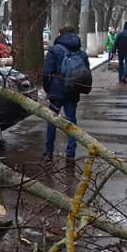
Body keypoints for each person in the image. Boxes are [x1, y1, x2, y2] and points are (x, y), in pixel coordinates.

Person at [42, 26, 90, 160]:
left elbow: (46, 73)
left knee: (52, 120)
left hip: (56, 92)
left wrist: (48, 89)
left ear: (60, 35)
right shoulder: (80, 52)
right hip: (73, 91)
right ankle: (70, 153)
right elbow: (85, 73)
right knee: (71, 121)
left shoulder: (54, 50)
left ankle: (48, 152)